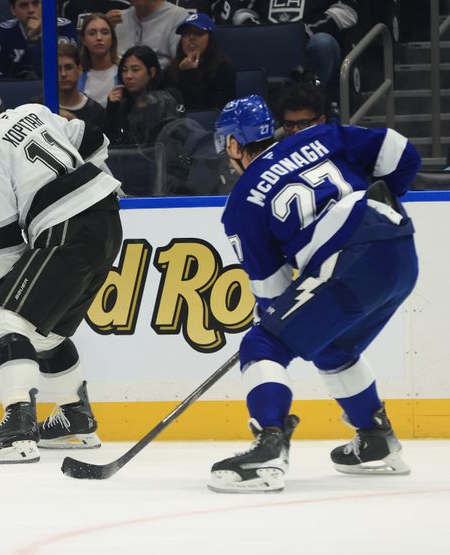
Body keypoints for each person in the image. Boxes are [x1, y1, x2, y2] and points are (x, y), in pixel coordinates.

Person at [209, 95, 421, 493]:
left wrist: (274, 330)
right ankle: (375, 441)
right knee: (332, 347)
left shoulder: (240, 205)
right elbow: (402, 151)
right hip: (400, 249)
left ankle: (268, 448)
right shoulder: (319, 136)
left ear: (234, 145)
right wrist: (383, 205)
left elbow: (273, 292)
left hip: (351, 262)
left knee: (263, 344)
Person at [0, 70, 122, 464]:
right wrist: (99, 183)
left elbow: (5, 246)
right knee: (44, 335)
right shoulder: (35, 112)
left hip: (67, 227)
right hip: (107, 221)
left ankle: (18, 427)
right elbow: (94, 138)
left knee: (6, 321)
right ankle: (75, 418)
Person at [226, 0, 358, 89]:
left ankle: (311, 101)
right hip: (266, 45)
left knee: (323, 42)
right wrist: (264, 32)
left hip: (308, 45)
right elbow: (241, 13)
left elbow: (347, 12)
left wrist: (303, 32)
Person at [105, 45, 182, 146]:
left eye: (135, 70)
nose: (128, 76)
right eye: (124, 70)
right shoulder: (121, 105)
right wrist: (112, 109)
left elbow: (173, 140)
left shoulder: (167, 99)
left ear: (152, 72)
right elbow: (112, 143)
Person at [0, 0, 76, 79]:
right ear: (13, 10)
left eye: (36, 3)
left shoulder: (62, 29)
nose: (31, 10)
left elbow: (63, 72)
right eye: (24, 5)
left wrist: (34, 40)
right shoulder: (6, 31)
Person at [163, 12, 235, 112]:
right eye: (186, 33)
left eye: (198, 33)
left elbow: (206, 109)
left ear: (210, 38)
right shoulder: (172, 69)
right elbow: (167, 105)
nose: (191, 38)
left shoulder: (223, 68)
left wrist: (189, 74)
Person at [112, 0, 192, 70]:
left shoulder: (177, 16)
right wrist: (107, 27)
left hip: (161, 83)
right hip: (119, 81)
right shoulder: (117, 18)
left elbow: (179, 63)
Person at [57, 42, 105, 128]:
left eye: (69, 67)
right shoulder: (37, 107)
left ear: (79, 70)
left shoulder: (97, 113)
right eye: (58, 69)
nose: (63, 74)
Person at [78, 12, 119, 109]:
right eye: (92, 33)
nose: (99, 38)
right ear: (84, 40)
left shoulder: (124, 72)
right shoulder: (76, 74)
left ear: (112, 38)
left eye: (105, 33)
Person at [60, 0, 129, 31]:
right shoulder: (71, 5)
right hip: (79, 55)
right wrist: (104, 21)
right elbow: (66, 37)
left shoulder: (123, 5)